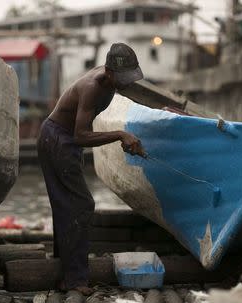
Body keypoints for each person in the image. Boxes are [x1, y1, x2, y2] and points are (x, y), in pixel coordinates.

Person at [36, 43, 145, 295]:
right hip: (58, 139)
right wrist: (120, 135)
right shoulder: (92, 88)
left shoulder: (110, 80)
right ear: (108, 71)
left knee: (67, 205)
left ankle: (67, 274)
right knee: (81, 205)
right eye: (122, 78)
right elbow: (80, 136)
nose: (126, 83)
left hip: (61, 140)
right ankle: (74, 280)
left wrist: (127, 137)